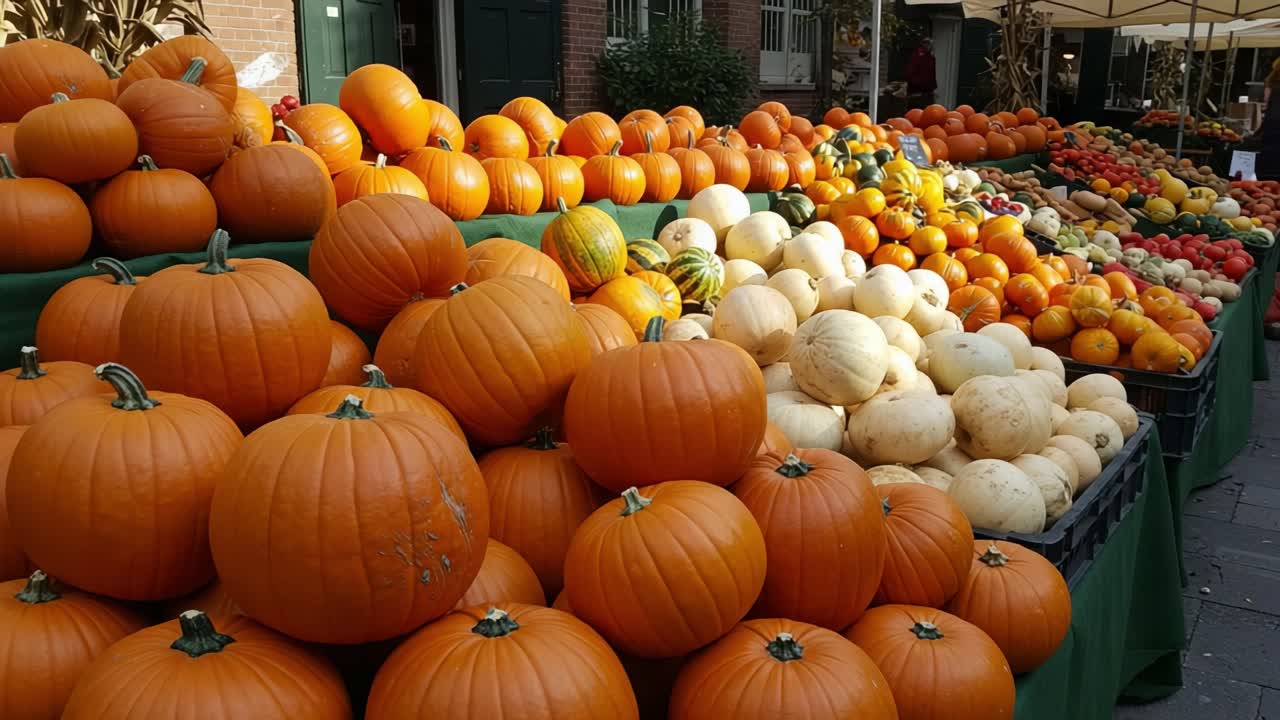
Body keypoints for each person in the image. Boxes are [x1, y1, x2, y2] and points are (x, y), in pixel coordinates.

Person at [906, 38, 937, 109]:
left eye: (930, 45)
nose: (929, 47)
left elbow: (931, 74)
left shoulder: (930, 57)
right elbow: (912, 72)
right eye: (927, 44)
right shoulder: (918, 56)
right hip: (917, 92)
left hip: (927, 92)